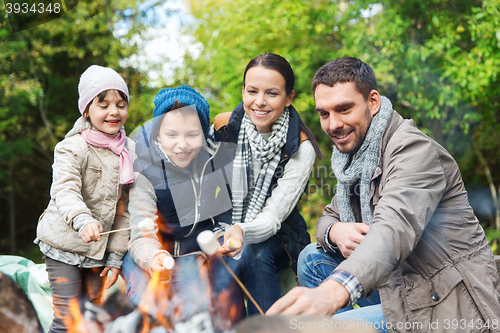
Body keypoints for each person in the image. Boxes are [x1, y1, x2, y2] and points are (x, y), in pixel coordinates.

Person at [267, 56, 500, 331]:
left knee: (329, 327)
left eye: (344, 109)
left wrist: (333, 292)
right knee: (311, 258)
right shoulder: (356, 159)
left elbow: (393, 229)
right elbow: (329, 216)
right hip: (399, 284)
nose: (333, 124)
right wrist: (335, 232)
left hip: (446, 300)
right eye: (324, 113)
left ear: (373, 102)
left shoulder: (413, 150)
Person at [121, 85, 243, 329]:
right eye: (172, 134)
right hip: (148, 252)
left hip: (189, 254)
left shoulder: (210, 164)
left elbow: (220, 219)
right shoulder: (144, 172)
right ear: (158, 135)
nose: (182, 144)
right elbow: (140, 234)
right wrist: (153, 257)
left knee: (195, 309)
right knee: (146, 302)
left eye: (191, 134)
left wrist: (224, 238)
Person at [213, 53, 323, 315]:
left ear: (289, 98)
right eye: (252, 91)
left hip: (280, 236)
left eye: (272, 93)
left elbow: (273, 217)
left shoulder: (300, 147)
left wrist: (240, 231)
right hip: (226, 224)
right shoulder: (225, 126)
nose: (259, 102)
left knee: (253, 251)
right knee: (218, 260)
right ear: (243, 91)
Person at [35, 65, 134, 333]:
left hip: (98, 253)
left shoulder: (130, 152)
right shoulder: (72, 147)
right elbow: (64, 189)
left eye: (120, 104)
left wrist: (114, 257)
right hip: (64, 246)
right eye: (103, 104)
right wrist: (82, 219)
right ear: (86, 110)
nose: (114, 111)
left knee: (91, 318)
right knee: (67, 319)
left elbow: (125, 210)